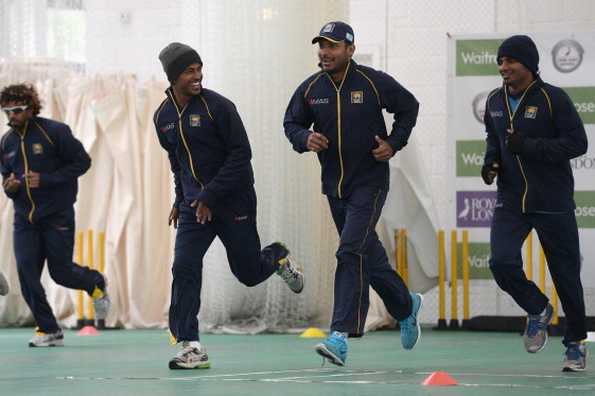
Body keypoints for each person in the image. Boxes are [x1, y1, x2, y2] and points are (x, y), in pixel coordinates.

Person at [155, 42, 304, 370]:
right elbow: (178, 161)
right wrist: (181, 200)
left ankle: (276, 257)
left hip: (233, 200)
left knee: (248, 274)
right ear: (173, 76)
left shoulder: (219, 107)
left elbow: (241, 156)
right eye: (189, 71)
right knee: (184, 266)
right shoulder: (163, 117)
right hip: (195, 207)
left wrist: (210, 195)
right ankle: (191, 345)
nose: (197, 76)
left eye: (199, 69)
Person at [283, 21, 422, 366]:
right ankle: (406, 305)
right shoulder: (311, 88)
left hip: (370, 184)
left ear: (349, 49)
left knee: (348, 251)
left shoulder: (373, 82)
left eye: (332, 46)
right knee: (368, 256)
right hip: (335, 188)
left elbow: (409, 107)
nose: (325, 52)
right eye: (321, 46)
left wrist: (394, 142)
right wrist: (304, 139)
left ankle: (340, 336)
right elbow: (291, 123)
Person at [482, 35, 588, 372]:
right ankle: (537, 307)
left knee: (566, 276)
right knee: (501, 261)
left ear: (529, 64)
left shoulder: (553, 99)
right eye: (500, 61)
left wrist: (528, 146)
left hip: (552, 200)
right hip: (511, 200)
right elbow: (494, 140)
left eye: (511, 61)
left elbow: (577, 143)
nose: (504, 68)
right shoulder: (494, 101)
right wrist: (490, 162)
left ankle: (575, 345)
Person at [0, 83, 110, 347]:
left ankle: (95, 283)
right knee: (27, 276)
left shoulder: (54, 132)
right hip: (25, 219)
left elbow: (82, 162)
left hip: (57, 215)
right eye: (7, 112)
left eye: (17, 110)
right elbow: (7, 179)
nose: (11, 116)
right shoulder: (6, 142)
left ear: (30, 108)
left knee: (61, 273)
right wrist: (10, 187)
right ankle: (49, 330)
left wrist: (47, 179)